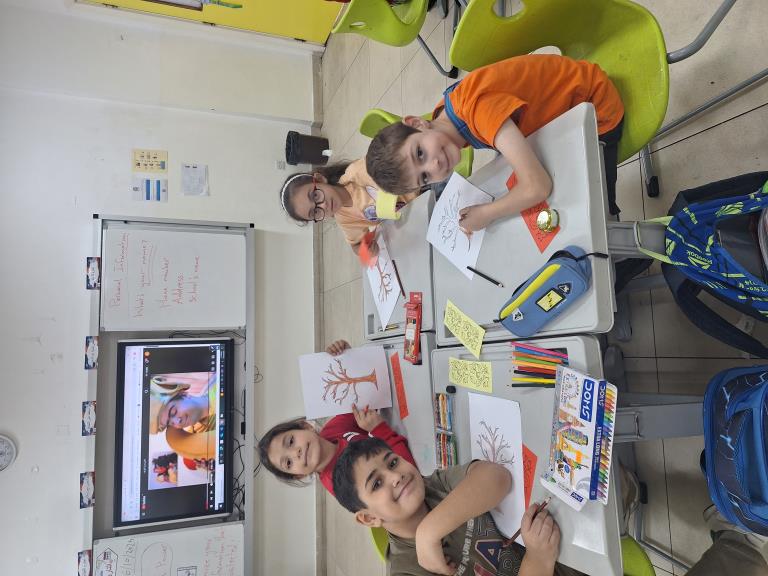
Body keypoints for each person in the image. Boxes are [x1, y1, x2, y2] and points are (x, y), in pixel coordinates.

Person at [365, 54, 625, 232]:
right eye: (424, 177)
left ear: (416, 123)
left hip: (595, 109)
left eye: (420, 153)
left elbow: (538, 186)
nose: (434, 166)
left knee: (592, 212)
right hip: (559, 117)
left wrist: (486, 213)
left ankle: (626, 252)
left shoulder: (477, 110)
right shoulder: (444, 116)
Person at [333, 437, 579, 576]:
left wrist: (429, 531)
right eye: (377, 483)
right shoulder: (407, 571)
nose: (395, 476)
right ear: (368, 518)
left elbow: (497, 478)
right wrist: (538, 560)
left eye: (393, 462)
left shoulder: (432, 487)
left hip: (571, 554)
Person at [258, 339, 416, 495]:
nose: (296, 453)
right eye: (288, 462)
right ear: (299, 475)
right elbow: (408, 476)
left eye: (291, 441)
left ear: (305, 426)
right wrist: (380, 430)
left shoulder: (332, 430)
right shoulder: (341, 485)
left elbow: (365, 399)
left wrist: (347, 359)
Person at [278, 160, 419, 255]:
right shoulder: (344, 219)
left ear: (320, 179)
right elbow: (355, 245)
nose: (323, 205)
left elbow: (405, 165)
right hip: (414, 219)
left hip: (421, 189)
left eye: (315, 195)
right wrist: (365, 250)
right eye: (315, 212)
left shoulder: (358, 173)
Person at [148, 372, 218, 460]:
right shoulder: (200, 432)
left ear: (183, 394)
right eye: (170, 423)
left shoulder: (218, 388)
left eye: (173, 412)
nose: (178, 422)